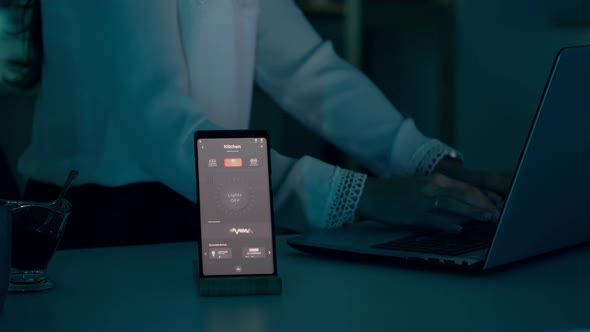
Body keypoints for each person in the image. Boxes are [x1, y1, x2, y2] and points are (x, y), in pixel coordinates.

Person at [4, 0, 509, 249]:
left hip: (217, 203)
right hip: (108, 225)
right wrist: (362, 196)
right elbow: (161, 131)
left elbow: (310, 72)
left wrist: (433, 162)